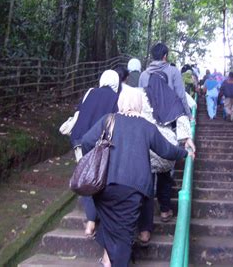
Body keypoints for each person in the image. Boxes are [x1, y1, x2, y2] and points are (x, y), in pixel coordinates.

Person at [81, 88, 195, 267]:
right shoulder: (146, 127)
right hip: (133, 189)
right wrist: (185, 153)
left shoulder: (108, 121)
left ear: (121, 102)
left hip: (104, 186)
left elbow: (86, 141)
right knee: (124, 234)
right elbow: (166, 151)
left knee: (110, 226)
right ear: (140, 104)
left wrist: (96, 162)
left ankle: (107, 262)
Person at [136, 71, 196, 245]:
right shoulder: (171, 96)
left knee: (146, 187)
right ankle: (164, 210)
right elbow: (182, 117)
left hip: (145, 146)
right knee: (165, 178)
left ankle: (145, 231)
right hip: (166, 147)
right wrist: (186, 139)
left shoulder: (141, 94)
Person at [70, 70, 120, 238]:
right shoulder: (115, 97)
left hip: (80, 140)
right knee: (101, 178)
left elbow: (80, 112)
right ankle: (99, 219)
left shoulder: (90, 92)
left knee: (87, 178)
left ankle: (90, 223)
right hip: (100, 144)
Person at [138, 43, 192, 119]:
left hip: (149, 118)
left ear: (153, 56)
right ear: (165, 56)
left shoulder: (143, 75)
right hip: (170, 118)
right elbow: (181, 96)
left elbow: (140, 99)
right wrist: (189, 115)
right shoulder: (174, 71)